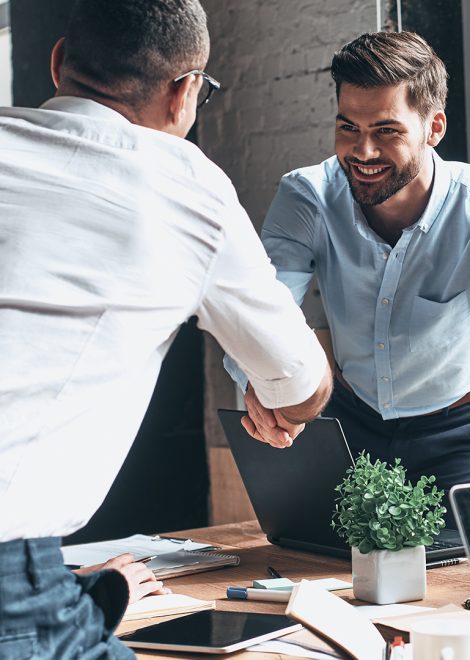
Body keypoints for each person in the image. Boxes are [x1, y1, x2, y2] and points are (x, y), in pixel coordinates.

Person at [0, 0, 332, 656]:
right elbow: (303, 389)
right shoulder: (183, 186)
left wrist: (74, 586)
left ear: (58, 61)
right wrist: (270, 386)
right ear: (184, 94)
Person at [225, 31, 470, 504]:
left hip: (461, 434)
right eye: (348, 128)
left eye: (386, 131)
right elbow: (258, 308)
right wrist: (258, 380)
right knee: (326, 571)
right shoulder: (308, 196)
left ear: (433, 129)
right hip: (349, 423)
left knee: (468, 574)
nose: (363, 152)